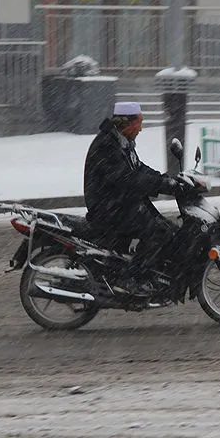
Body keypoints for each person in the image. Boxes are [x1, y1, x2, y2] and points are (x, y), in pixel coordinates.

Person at [83, 101, 183, 297]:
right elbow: (127, 178)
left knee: (166, 227)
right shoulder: (107, 145)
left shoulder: (120, 141)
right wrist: (161, 185)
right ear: (127, 122)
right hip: (108, 207)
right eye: (140, 122)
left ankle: (144, 272)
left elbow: (138, 169)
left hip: (120, 202)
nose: (141, 128)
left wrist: (165, 180)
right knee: (159, 232)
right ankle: (131, 279)